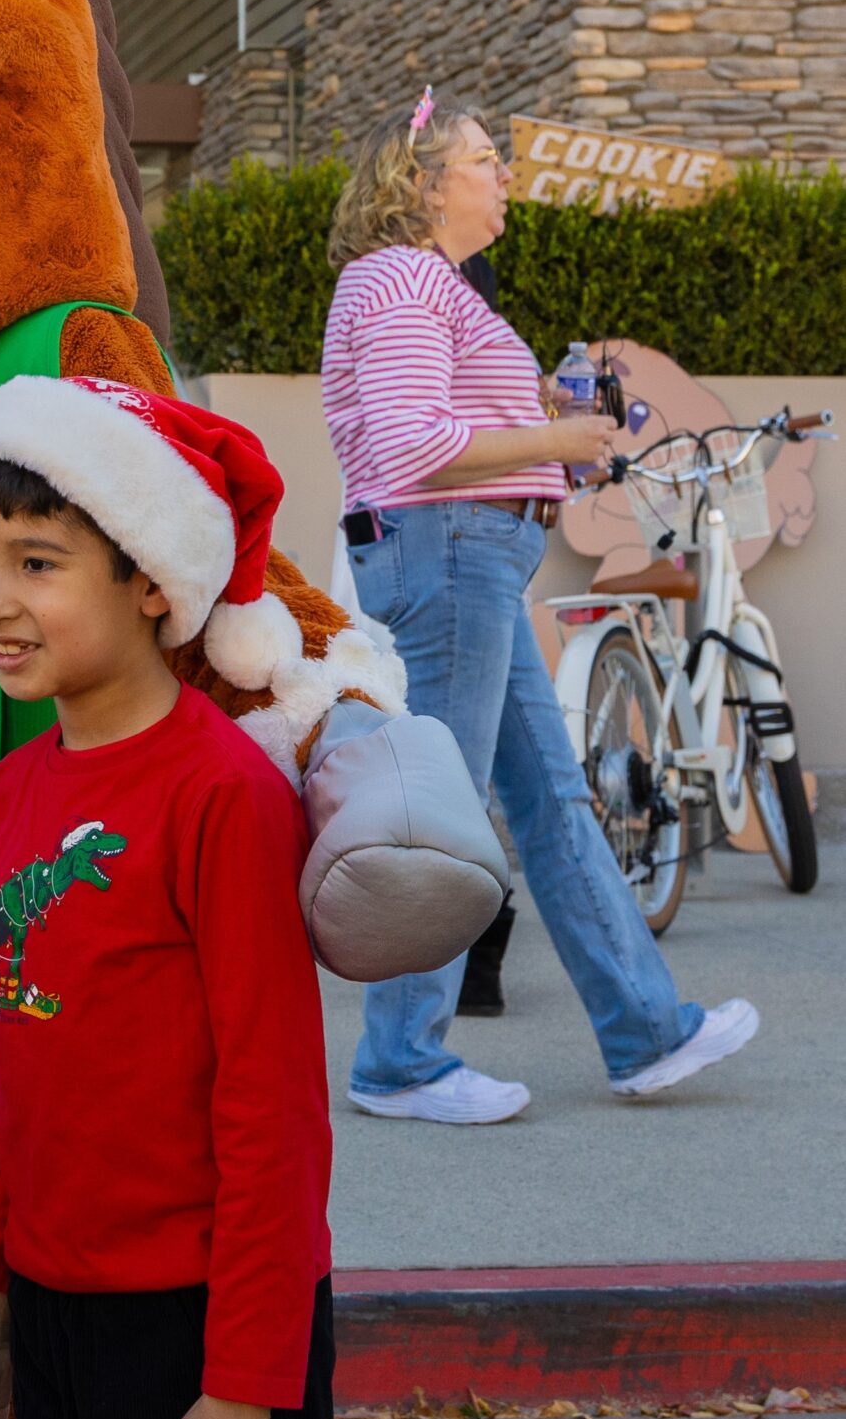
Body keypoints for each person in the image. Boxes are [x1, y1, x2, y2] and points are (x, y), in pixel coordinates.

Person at [0, 375, 340, 1419]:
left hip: (196, 1329)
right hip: (55, 1314)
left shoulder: (223, 797)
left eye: (38, 563)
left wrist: (242, 1387)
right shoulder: (9, 791)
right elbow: (18, 1068)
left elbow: (275, 1112)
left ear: (153, 582)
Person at [322, 91, 758, 1121]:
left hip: (469, 563)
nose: (503, 174)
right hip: (446, 557)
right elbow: (412, 443)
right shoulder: (396, 277)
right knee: (445, 808)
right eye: (484, 157)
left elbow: (434, 424)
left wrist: (551, 420)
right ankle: (400, 1062)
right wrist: (556, 442)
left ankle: (645, 1031)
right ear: (420, 180)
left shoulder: (429, 285)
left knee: (551, 803)